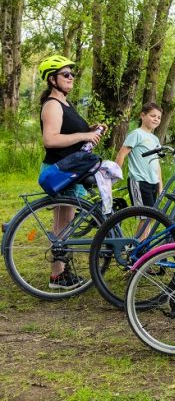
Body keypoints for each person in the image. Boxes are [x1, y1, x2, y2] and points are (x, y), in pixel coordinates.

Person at [38, 55, 106, 289]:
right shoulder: (52, 105)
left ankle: (61, 273)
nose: (71, 78)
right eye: (66, 74)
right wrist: (84, 135)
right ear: (52, 79)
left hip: (71, 170)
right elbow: (51, 139)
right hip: (60, 170)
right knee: (62, 223)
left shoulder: (66, 104)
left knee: (66, 223)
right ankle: (57, 275)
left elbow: (71, 133)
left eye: (72, 74)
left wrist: (91, 130)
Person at [115, 102, 163, 207]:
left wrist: (160, 186)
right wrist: (115, 174)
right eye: (153, 116)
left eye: (159, 117)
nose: (156, 119)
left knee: (153, 216)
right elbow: (121, 154)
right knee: (145, 217)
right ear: (143, 115)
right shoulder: (136, 134)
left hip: (153, 182)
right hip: (139, 181)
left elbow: (156, 163)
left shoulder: (155, 139)